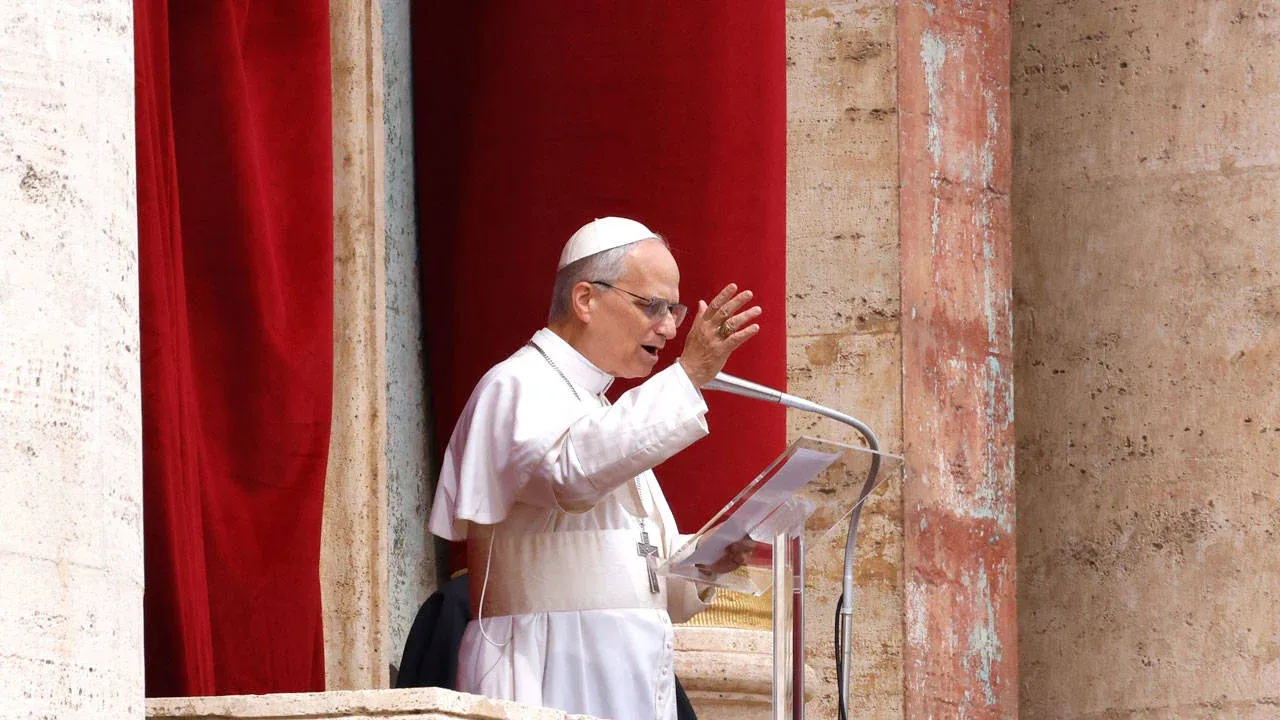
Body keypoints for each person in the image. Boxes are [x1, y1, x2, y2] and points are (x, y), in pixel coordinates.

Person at [428, 216, 762, 720]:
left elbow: (645, 579)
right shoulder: (516, 385)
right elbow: (568, 476)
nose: (670, 328)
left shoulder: (600, 408)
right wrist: (689, 375)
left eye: (672, 310)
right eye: (652, 306)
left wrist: (707, 559)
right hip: (547, 672)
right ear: (585, 299)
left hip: (627, 678)